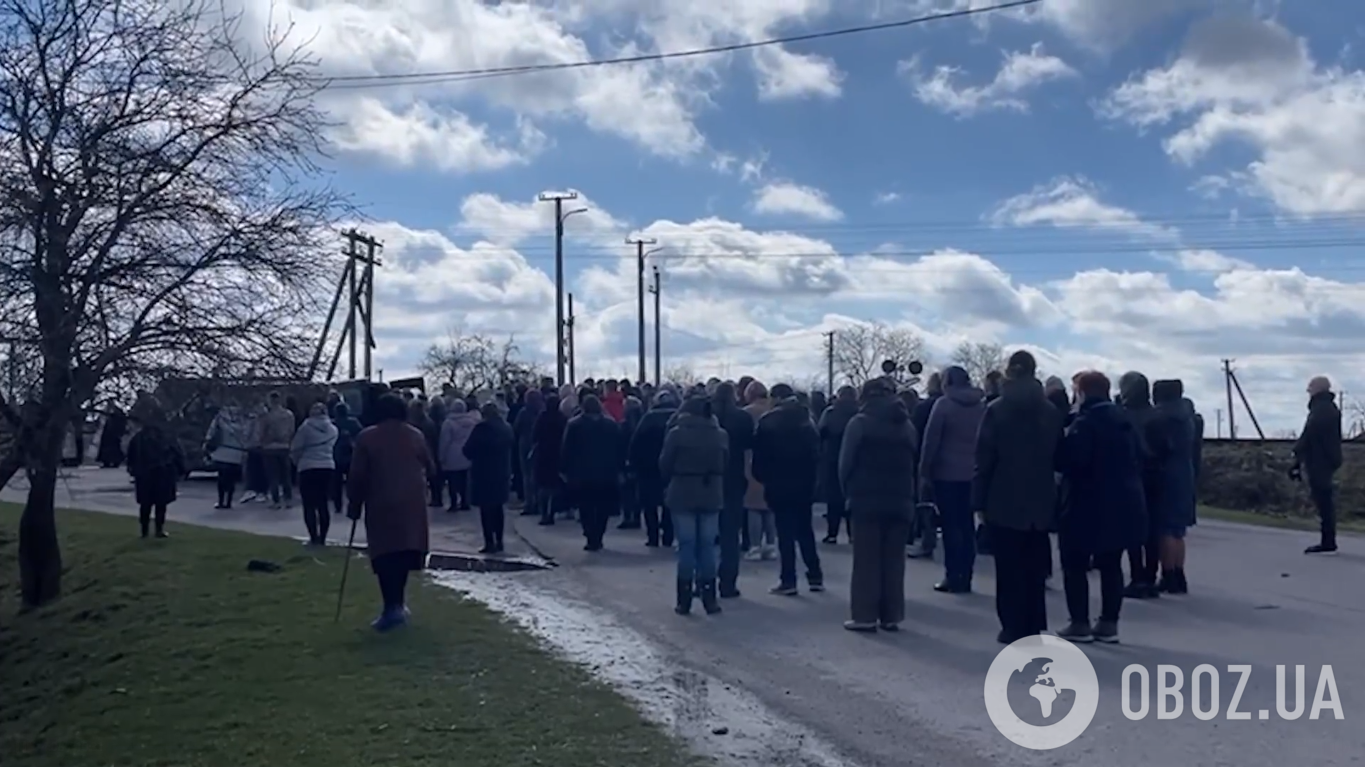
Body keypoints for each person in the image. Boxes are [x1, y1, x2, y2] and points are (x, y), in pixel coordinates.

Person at [973, 351, 1063, 644]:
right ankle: (1034, 623)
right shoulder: (1049, 411)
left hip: (1003, 493)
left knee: (1008, 566)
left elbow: (984, 457)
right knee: (1034, 566)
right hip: (1040, 494)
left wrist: (979, 499)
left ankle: (1011, 625)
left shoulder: (997, 409)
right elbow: (1058, 455)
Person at [1052, 371, 1146, 644]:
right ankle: (1108, 623)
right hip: (1123, 500)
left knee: (1074, 563)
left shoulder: (1086, 422)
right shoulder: (1124, 419)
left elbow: (1072, 461)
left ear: (1082, 393)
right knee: (1111, 565)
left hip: (1086, 501)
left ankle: (1079, 622)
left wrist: (1062, 444)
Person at [346, 394, 436, 632]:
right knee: (404, 551)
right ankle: (398, 604)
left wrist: (354, 503)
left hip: (381, 501)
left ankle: (391, 607)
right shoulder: (415, 435)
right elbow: (431, 466)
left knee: (385, 553)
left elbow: (357, 475)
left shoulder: (367, 437)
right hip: (411, 502)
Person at [839, 378, 918, 631]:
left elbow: (845, 465)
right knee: (894, 561)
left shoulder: (859, 423)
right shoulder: (906, 426)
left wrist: (848, 493)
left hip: (866, 498)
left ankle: (864, 615)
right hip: (901, 498)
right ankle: (891, 615)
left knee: (866, 560)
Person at [752, 383, 824, 595]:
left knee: (784, 532)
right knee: (805, 530)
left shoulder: (768, 422)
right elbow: (816, 454)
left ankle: (788, 579)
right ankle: (815, 576)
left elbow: (760, 457)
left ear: (775, 398)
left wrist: (763, 478)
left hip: (778, 483)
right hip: (804, 484)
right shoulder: (807, 420)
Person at [660, 396, 729, 615]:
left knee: (687, 546)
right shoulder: (720, 435)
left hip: (682, 491)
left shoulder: (676, 434)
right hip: (711, 492)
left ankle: (685, 598)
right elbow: (725, 463)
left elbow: (665, 464)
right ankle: (710, 597)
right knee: (708, 545)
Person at [919, 366, 985, 593]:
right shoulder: (981, 406)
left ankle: (952, 574)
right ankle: (966, 574)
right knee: (967, 526)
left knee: (950, 526)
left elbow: (931, 441)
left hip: (946, 474)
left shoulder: (944, 405)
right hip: (973, 474)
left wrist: (925, 470)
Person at [1116, 372, 1164, 599]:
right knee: (1152, 530)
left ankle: (1137, 577)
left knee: (1133, 529)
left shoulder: (1125, 416)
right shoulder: (1157, 415)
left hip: (1132, 475)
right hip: (1156, 476)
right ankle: (1150, 577)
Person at [1148, 379, 1199, 591]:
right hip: (1185, 471)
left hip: (1166, 473)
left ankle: (1168, 574)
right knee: (1178, 530)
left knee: (1165, 530)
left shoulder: (1161, 417)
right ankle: (1178, 573)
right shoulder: (1188, 417)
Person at [561, 395, 622, 551]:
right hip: (606, 473)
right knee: (603, 507)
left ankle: (590, 536)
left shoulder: (574, 425)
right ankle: (599, 535)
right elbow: (619, 449)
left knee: (585, 506)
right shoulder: (611, 425)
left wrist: (564, 470)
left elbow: (566, 450)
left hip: (582, 474)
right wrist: (620, 469)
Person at [1292, 375, 1343, 555]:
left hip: (1321, 460)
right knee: (1324, 501)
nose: (1308, 391)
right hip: (1326, 459)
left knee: (1324, 501)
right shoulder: (1328, 408)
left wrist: (1297, 452)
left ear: (1318, 389)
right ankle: (1328, 539)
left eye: (1310, 387)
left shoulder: (1321, 409)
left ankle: (1328, 541)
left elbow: (1310, 434)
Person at [711, 382, 753, 598]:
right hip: (734, 479)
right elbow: (749, 452)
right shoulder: (743, 418)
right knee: (730, 535)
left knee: (706, 534)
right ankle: (728, 583)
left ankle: (704, 581)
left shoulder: (707, 414)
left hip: (708, 479)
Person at [125, 409, 185, 539]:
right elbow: (177, 453)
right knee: (160, 504)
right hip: (163, 474)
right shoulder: (167, 437)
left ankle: (144, 531)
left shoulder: (139, 437)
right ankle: (158, 530)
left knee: (146, 505)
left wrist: (132, 470)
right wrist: (181, 470)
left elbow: (131, 456)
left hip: (145, 475)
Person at [464, 402, 514, 554]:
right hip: (501, 471)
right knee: (498, 508)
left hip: (484, 473)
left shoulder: (481, 429)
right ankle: (499, 540)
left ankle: (489, 542)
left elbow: (468, 450)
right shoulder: (506, 427)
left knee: (486, 510)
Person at [630, 389, 679, 547]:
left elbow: (636, 443)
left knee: (649, 504)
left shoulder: (649, 418)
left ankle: (653, 536)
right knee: (669, 503)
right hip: (673, 467)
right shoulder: (678, 417)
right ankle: (668, 535)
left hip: (648, 467)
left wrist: (633, 463)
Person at [292, 402, 339, 546]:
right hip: (327, 466)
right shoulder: (333, 429)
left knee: (309, 505)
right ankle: (323, 538)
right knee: (323, 503)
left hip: (308, 466)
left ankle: (313, 537)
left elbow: (296, 447)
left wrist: (296, 462)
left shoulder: (305, 428)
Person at [818, 386, 859, 544]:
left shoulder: (830, 412)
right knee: (852, 497)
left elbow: (820, 432)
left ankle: (832, 533)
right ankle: (852, 533)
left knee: (833, 498)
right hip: (855, 460)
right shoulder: (859, 412)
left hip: (832, 458)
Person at [742, 381, 777, 561]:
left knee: (753, 507)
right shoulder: (773, 412)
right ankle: (770, 545)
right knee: (770, 507)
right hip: (774, 463)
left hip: (752, 462)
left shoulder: (747, 413)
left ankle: (755, 546)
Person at [438, 400, 481, 512]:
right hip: (467, 453)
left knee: (452, 481)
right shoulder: (472, 421)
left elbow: (445, 441)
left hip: (452, 454)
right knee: (465, 480)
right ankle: (465, 502)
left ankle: (453, 503)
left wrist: (441, 456)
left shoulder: (448, 423)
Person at [533, 394, 569, 526]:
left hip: (543, 453)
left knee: (543, 486)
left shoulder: (542, 417)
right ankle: (552, 511)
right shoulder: (562, 418)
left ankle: (544, 514)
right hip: (558, 453)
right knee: (555, 485)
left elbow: (535, 435)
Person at [205, 401, 247, 509]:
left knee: (221, 478)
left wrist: (207, 444)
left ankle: (221, 501)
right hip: (237, 451)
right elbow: (246, 433)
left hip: (222, 450)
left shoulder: (220, 418)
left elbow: (212, 432)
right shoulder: (242, 418)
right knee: (231, 479)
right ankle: (228, 501)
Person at [259, 392, 296, 509]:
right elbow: (292, 431)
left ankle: (276, 501)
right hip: (284, 447)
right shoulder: (289, 414)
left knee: (273, 475)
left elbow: (262, 432)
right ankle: (288, 499)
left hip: (270, 448)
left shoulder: (267, 416)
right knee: (286, 475)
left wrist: (262, 442)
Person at [513, 389, 545, 517]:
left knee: (527, 475)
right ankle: (538, 502)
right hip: (540, 445)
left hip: (525, 444)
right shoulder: (542, 411)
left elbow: (516, 428)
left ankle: (530, 503)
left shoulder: (524, 412)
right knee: (538, 474)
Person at [331, 401, 364, 515]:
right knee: (351, 482)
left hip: (335, 455)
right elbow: (361, 434)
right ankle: (352, 502)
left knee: (336, 483)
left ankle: (338, 505)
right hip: (350, 454)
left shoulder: (333, 423)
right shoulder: (353, 422)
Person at [618, 395, 645, 530]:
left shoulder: (623, 425)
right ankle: (636, 516)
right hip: (641, 462)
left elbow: (619, 445)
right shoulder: (644, 423)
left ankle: (628, 517)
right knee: (637, 490)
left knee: (626, 491)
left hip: (625, 461)